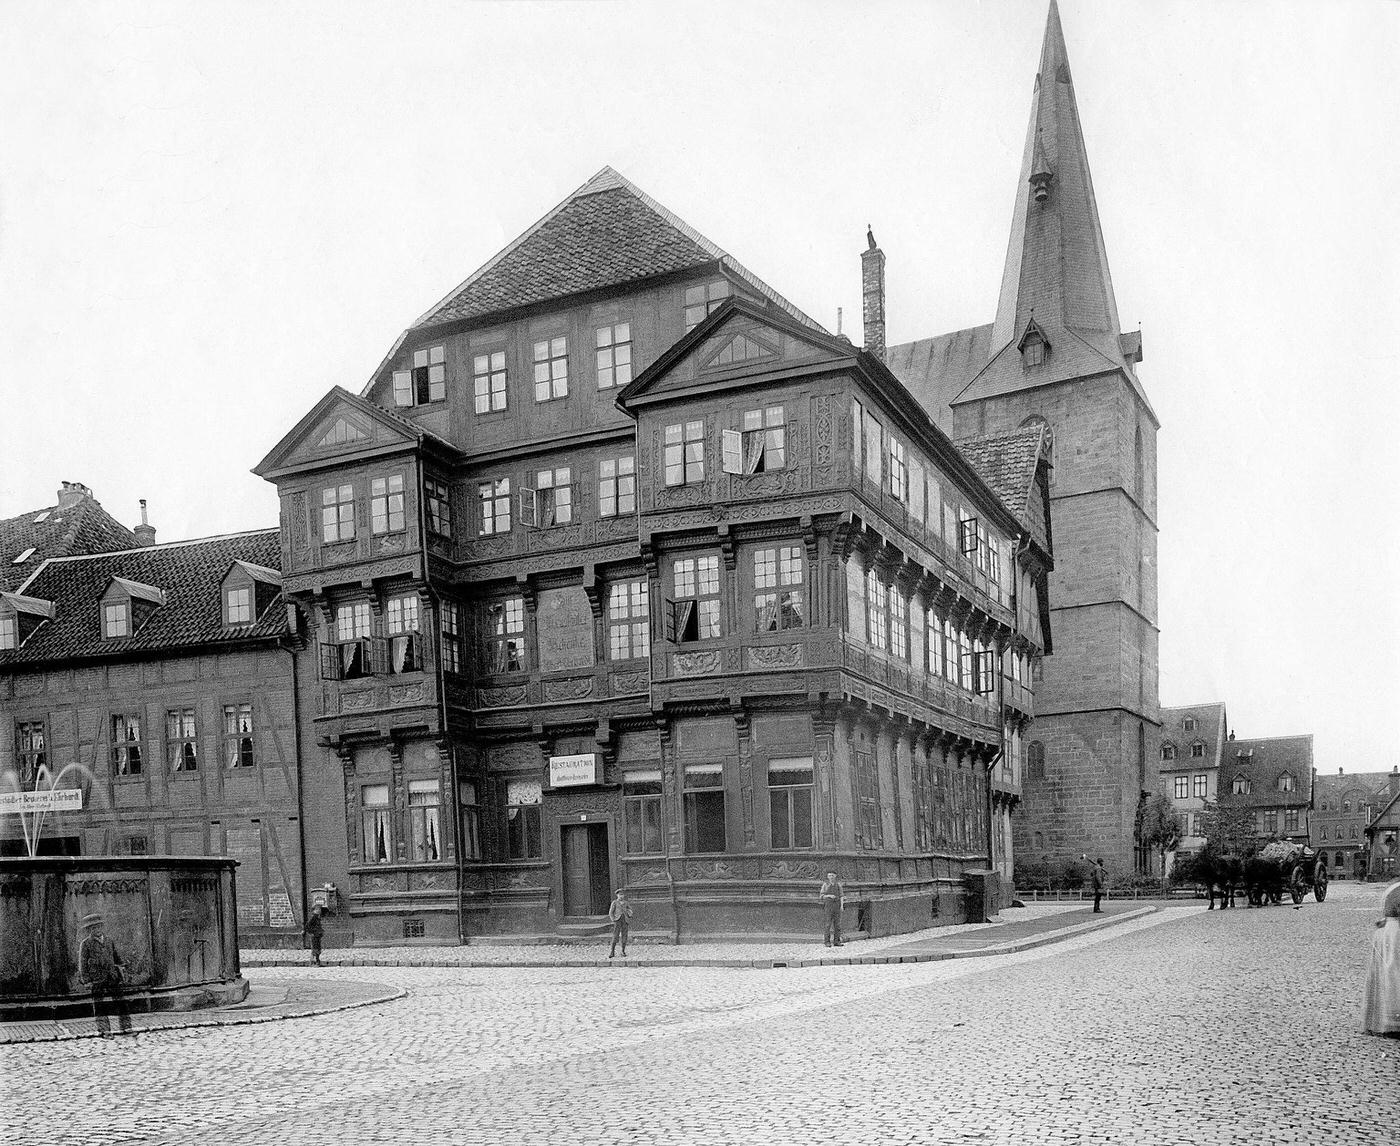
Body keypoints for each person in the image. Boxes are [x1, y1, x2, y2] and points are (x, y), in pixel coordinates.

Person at [79, 914, 130, 1036]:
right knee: (100, 1006)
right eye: (93, 928)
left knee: (121, 1003)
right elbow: (82, 964)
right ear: (89, 930)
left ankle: (126, 1028)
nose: (96, 930)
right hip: (96, 979)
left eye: (98, 927)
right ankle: (104, 1030)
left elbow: (116, 956)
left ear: (102, 927)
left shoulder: (109, 941)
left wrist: (122, 966)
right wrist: (87, 981)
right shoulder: (86, 944)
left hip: (112, 977)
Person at [1361, 880, 1400, 1037]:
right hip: (1395, 935)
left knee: (1388, 975)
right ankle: (1393, 1022)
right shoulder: (1396, 890)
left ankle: (1384, 1018)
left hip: (1387, 932)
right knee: (1394, 976)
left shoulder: (1393, 888)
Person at [818, 871, 844, 947]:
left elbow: (841, 896)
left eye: (832, 875)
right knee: (828, 925)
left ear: (835, 876)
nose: (831, 877)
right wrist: (829, 895)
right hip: (828, 907)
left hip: (837, 906)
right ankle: (827, 941)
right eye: (829, 876)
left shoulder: (838, 885)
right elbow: (821, 896)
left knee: (837, 925)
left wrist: (842, 906)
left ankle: (837, 941)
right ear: (827, 877)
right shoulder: (825, 885)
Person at [607, 889, 633, 959]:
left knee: (624, 935)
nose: (621, 896)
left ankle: (623, 951)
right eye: (619, 895)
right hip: (617, 920)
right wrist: (613, 919)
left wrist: (629, 913)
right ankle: (612, 951)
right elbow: (611, 912)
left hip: (625, 920)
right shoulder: (614, 902)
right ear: (617, 895)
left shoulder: (626, 903)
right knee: (615, 935)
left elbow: (630, 910)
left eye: (622, 894)